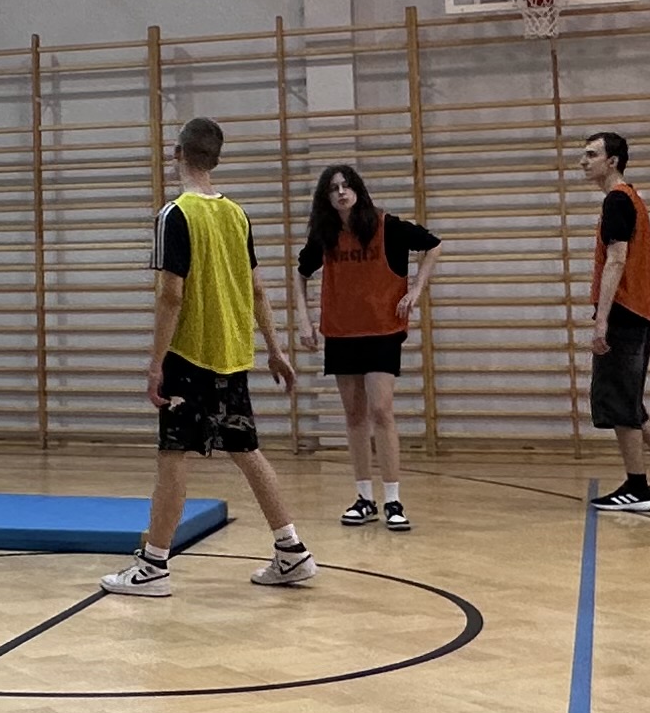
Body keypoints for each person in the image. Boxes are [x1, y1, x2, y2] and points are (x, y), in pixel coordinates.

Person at [106, 118, 318, 597]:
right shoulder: (236, 214)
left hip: (189, 355)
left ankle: (153, 566)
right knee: (246, 450)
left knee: (172, 456)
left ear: (177, 153)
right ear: (216, 160)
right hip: (233, 355)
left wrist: (156, 363)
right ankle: (292, 551)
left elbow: (171, 296)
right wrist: (275, 349)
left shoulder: (174, 215)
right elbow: (258, 289)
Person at [296, 163, 438, 534]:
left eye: (346, 185)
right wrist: (304, 320)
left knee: (381, 409)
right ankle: (364, 498)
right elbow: (301, 274)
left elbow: (433, 245)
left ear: (357, 190)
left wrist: (416, 289)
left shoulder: (386, 226)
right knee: (354, 415)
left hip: (381, 331)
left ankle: (393, 500)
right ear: (326, 197)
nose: (341, 192)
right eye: (333, 188)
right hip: (341, 332)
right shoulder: (325, 235)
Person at [582, 132, 650, 512]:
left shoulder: (617, 200)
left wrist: (602, 320)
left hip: (624, 312)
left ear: (612, 161)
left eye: (592, 154)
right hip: (639, 312)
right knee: (624, 397)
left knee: (618, 401)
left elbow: (617, 259)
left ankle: (637, 487)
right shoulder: (631, 199)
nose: (584, 161)